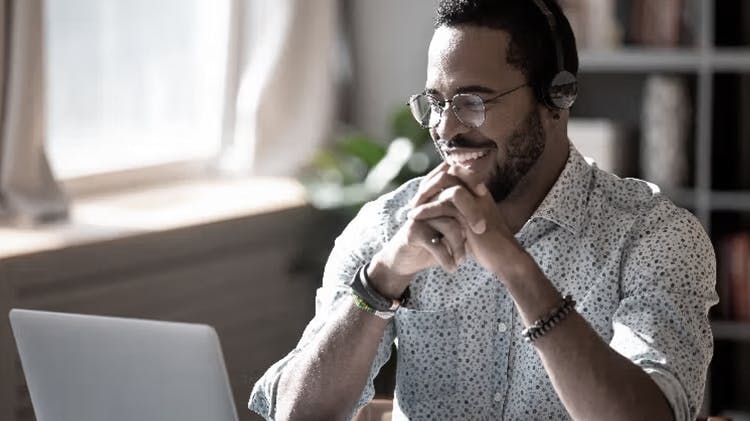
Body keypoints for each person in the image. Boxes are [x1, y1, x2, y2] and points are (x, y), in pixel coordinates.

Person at [249, 0, 718, 420]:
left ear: (557, 97)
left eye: (473, 101)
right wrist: (383, 279)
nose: (445, 129)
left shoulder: (655, 237)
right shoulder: (389, 226)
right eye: (435, 102)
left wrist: (517, 269)